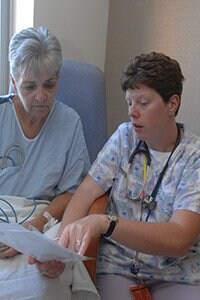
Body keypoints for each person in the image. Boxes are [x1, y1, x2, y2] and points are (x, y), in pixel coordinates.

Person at [34, 52, 200, 300]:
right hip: (119, 266)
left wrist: (107, 223)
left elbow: (179, 240)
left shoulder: (193, 158)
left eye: (143, 103)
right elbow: (86, 192)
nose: (133, 112)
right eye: (129, 102)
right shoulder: (124, 138)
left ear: (172, 104)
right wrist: (61, 248)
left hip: (174, 271)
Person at [0, 26, 100, 300]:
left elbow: (72, 191)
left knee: (44, 285)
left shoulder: (69, 123)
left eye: (50, 84)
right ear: (13, 81)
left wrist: (35, 225)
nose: (41, 96)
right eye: (29, 86)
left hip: (45, 219)